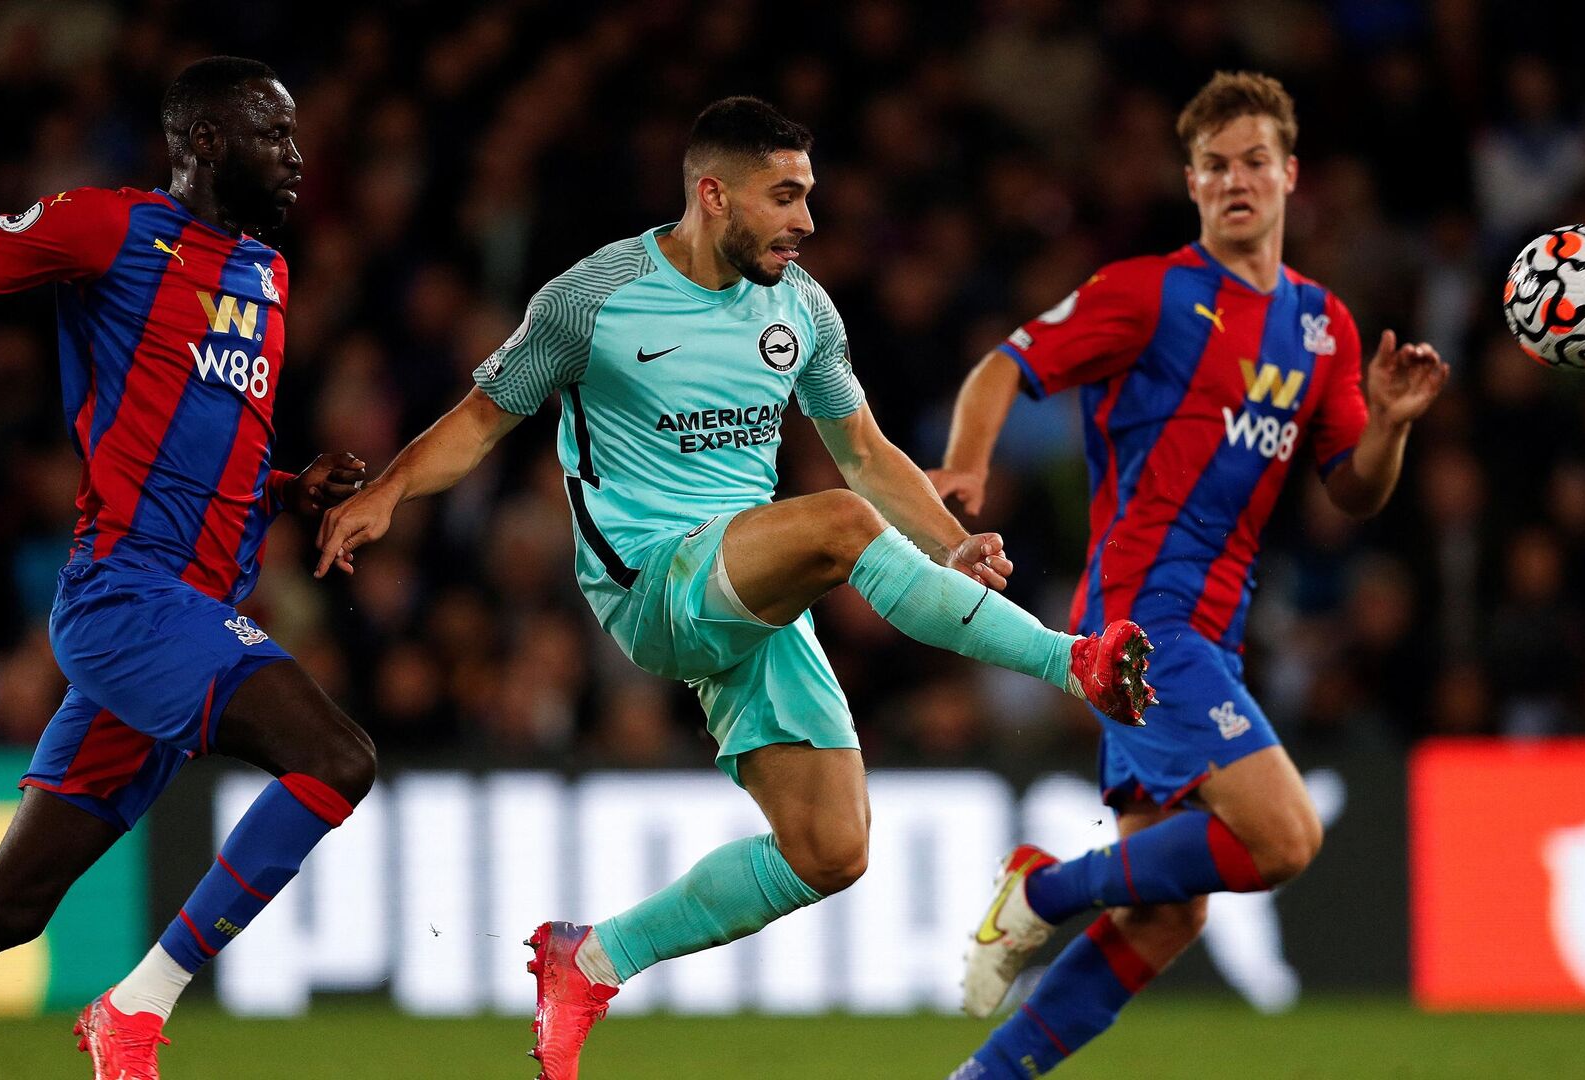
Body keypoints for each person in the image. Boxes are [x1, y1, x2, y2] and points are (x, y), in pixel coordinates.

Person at [314, 95, 1154, 1079]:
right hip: (651, 582)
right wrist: (389, 492)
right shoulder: (593, 299)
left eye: (810, 196)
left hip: (749, 589)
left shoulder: (800, 306)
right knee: (839, 524)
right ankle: (1074, 663)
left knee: (831, 849)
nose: (806, 220)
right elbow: (480, 420)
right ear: (714, 194)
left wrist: (951, 542)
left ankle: (588, 961)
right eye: (785, 196)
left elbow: (867, 452)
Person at [932, 71, 1448, 1079]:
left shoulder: (1323, 326)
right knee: (1288, 836)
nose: (1236, 180)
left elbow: (1354, 492)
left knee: (1165, 917)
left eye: (1255, 160)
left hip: (1211, 630)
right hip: (1137, 619)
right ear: (1192, 185)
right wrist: (967, 463)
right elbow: (1007, 364)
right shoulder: (1149, 293)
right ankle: (1039, 891)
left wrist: (1386, 427)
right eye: (1215, 166)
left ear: (1291, 175)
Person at [0, 56, 374, 1080]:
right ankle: (136, 1012)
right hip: (125, 597)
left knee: (3, 911)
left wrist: (290, 488)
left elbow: (200, 440)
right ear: (203, 141)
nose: (298, 158)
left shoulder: (268, 273)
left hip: (185, 613)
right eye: (273, 134)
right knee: (336, 760)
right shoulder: (105, 228)